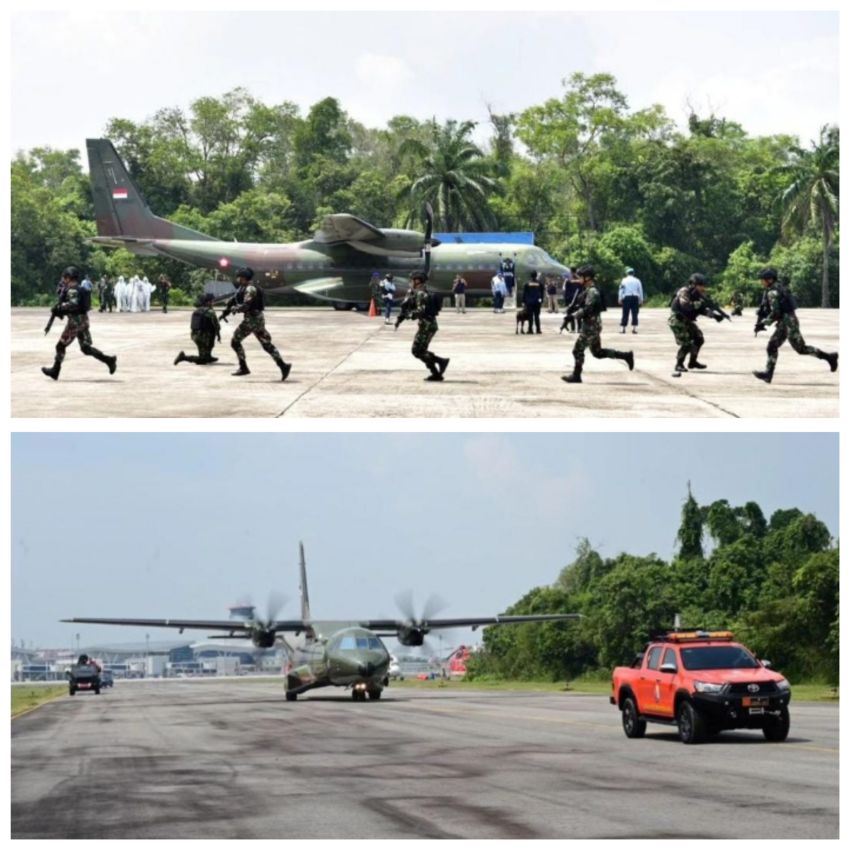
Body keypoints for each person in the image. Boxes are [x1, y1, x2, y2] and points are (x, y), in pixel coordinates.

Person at [752, 268, 838, 383]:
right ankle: (768, 374)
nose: (761, 282)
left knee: (800, 349)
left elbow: (775, 312)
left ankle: (829, 357)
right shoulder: (778, 287)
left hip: (788, 323)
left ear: (769, 280)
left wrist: (763, 323)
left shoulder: (772, 292)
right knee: (773, 346)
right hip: (786, 322)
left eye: (762, 280)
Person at [41, 266, 117, 380]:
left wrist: (59, 308)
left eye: (65, 277)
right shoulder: (78, 288)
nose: (63, 280)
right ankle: (109, 360)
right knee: (86, 348)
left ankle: (55, 370)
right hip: (83, 320)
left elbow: (73, 304)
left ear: (69, 278)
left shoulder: (72, 290)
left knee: (60, 346)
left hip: (75, 322)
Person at [562, 265, 633, 383]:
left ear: (588, 277)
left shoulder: (593, 291)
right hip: (592, 324)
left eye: (581, 277)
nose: (579, 279)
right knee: (597, 353)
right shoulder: (588, 290)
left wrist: (572, 317)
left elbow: (588, 309)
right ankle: (626, 356)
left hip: (591, 325)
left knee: (577, 350)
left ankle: (576, 375)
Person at [226, 267, 291, 380]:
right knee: (266, 344)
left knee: (235, 342)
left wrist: (235, 309)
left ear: (244, 278)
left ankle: (243, 367)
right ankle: (283, 366)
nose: (238, 279)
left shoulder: (250, 289)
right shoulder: (248, 287)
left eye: (240, 277)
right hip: (257, 319)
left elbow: (246, 305)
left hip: (252, 319)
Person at [668, 273, 726, 374]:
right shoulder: (684, 291)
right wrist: (699, 303)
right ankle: (679, 364)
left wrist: (714, 315)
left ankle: (692, 362)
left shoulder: (698, 295)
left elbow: (701, 310)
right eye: (700, 285)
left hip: (687, 320)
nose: (703, 288)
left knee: (699, 338)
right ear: (693, 284)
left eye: (703, 285)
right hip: (677, 320)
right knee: (686, 343)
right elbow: (685, 305)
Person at [408, 270, 449, 381]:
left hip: (426, 326)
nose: (411, 282)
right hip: (429, 325)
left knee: (416, 351)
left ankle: (441, 361)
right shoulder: (422, 292)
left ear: (417, 281)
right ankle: (436, 374)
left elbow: (420, 311)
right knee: (421, 351)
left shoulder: (420, 294)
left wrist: (409, 315)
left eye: (412, 280)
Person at [175, 293, 221, 366]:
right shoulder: (210, 311)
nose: (213, 303)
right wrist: (218, 335)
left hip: (195, 335)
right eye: (212, 301)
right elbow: (216, 325)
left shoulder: (197, 310)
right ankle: (183, 357)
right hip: (203, 337)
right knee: (202, 360)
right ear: (208, 302)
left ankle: (208, 356)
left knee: (208, 345)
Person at [618, 267, 644, 334]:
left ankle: (623, 328)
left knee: (625, 313)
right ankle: (634, 329)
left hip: (627, 297)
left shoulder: (624, 280)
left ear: (627, 273)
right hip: (635, 297)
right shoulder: (637, 280)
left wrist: (620, 298)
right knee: (635, 313)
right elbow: (640, 290)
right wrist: (641, 299)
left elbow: (621, 290)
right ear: (633, 273)